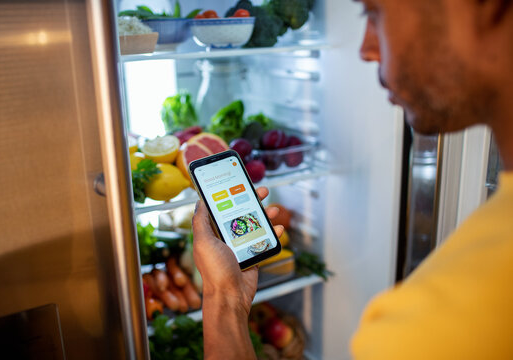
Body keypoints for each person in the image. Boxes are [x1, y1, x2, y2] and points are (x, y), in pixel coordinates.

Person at [192, 0, 513, 358]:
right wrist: (229, 294)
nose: (365, 49)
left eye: (375, 14)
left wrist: (221, 297)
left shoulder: (420, 335)